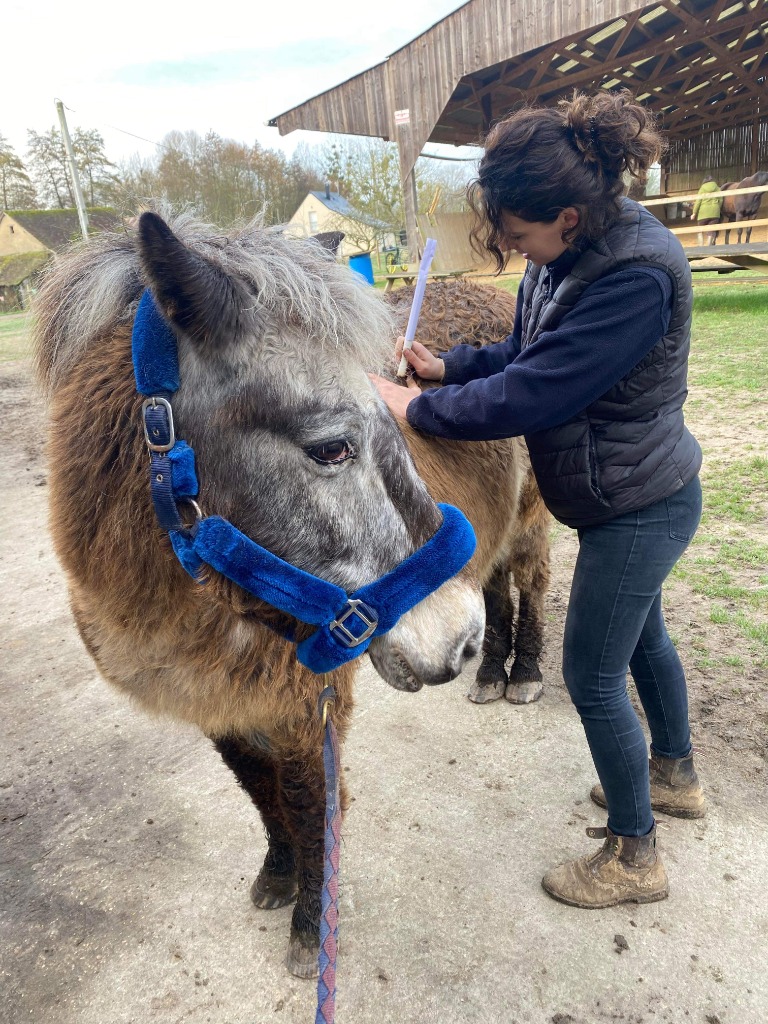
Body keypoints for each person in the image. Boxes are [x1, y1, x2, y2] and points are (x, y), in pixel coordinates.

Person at [371, 89, 706, 910]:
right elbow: (522, 352)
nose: (512, 250)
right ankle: (676, 775)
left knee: (590, 674)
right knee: (642, 641)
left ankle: (636, 858)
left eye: (517, 235)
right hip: (622, 496)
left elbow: (537, 392)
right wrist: (448, 367)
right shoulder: (564, 260)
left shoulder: (635, 274)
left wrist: (415, 406)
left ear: (566, 214)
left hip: (640, 504)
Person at [691, 176, 722, 245]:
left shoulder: (702, 188)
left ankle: (701, 247)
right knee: (711, 231)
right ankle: (708, 247)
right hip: (715, 212)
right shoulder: (717, 188)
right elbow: (721, 200)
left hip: (703, 213)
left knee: (700, 230)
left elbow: (698, 201)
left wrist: (694, 213)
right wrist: (717, 208)